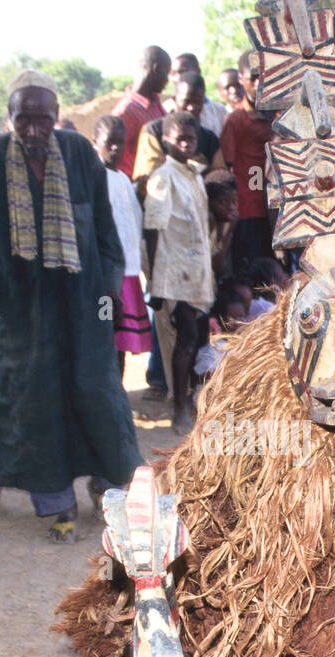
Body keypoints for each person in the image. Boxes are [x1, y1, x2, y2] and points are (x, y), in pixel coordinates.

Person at [0, 70, 141, 542]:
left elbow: (106, 229)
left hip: (82, 298)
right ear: (9, 118)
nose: (33, 130)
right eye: (22, 120)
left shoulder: (78, 153)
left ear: (56, 117)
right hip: (19, 305)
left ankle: (109, 490)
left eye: (42, 119)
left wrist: (110, 282)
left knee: (96, 389)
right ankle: (55, 505)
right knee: (36, 400)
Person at [144, 112, 215, 434]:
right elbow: (153, 230)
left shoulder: (195, 176)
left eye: (191, 139)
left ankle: (188, 398)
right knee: (184, 339)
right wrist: (157, 283)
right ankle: (178, 406)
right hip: (174, 273)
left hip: (197, 269)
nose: (186, 144)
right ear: (166, 140)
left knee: (195, 337)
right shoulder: (162, 178)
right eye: (180, 139)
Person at [93, 116, 153, 375]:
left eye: (121, 142)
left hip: (128, 271)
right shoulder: (93, 177)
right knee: (106, 337)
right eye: (109, 143)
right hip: (106, 276)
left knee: (119, 341)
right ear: (95, 143)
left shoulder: (123, 179)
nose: (116, 148)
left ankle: (117, 393)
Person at [220, 51, 275, 272]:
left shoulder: (282, 116)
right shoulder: (236, 120)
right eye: (253, 77)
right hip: (249, 214)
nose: (259, 83)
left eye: (264, 75)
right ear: (242, 80)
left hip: (281, 214)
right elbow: (224, 167)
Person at [132, 73, 224, 188]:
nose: (192, 107)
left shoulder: (209, 138)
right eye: (186, 101)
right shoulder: (153, 131)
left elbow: (219, 178)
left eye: (198, 102)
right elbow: (151, 177)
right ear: (175, 99)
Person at [113, 46, 171, 179]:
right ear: (155, 69)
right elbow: (118, 159)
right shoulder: (126, 111)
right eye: (166, 73)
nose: (167, 81)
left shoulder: (157, 104)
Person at [162, 53, 226, 138]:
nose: (178, 77)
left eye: (182, 71)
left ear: (198, 72)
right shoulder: (165, 109)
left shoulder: (219, 111)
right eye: (173, 74)